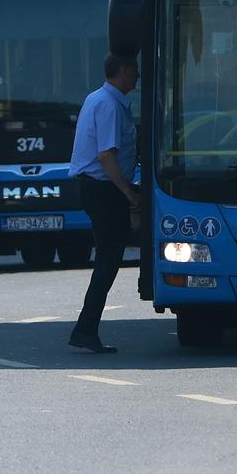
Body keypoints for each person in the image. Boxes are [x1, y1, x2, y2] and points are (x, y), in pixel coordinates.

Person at [66, 54, 140, 353]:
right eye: (134, 70)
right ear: (121, 71)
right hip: (103, 188)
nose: (138, 76)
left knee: (110, 257)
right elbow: (106, 156)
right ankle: (85, 328)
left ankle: (86, 328)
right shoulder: (109, 105)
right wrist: (129, 193)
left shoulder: (98, 98)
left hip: (99, 187)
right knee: (109, 258)